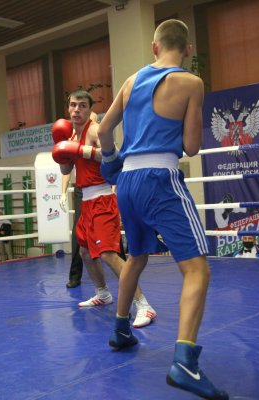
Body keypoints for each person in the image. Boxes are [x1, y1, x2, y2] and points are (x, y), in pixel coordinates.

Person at [97, 20, 228, 399]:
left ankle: (121, 330)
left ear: (154, 48)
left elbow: (105, 133)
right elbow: (190, 147)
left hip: (127, 183)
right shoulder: (191, 83)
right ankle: (185, 363)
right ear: (187, 49)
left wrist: (109, 162)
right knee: (197, 269)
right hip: (159, 179)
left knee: (135, 255)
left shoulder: (131, 80)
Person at [52, 89, 156, 329]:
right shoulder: (72, 135)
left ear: (89, 109)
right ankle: (103, 293)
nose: (76, 110)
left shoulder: (94, 130)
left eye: (81, 106)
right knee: (85, 252)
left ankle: (144, 305)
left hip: (102, 198)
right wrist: (62, 151)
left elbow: (114, 156)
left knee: (109, 254)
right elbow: (67, 172)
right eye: (72, 105)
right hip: (86, 202)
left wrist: (82, 151)